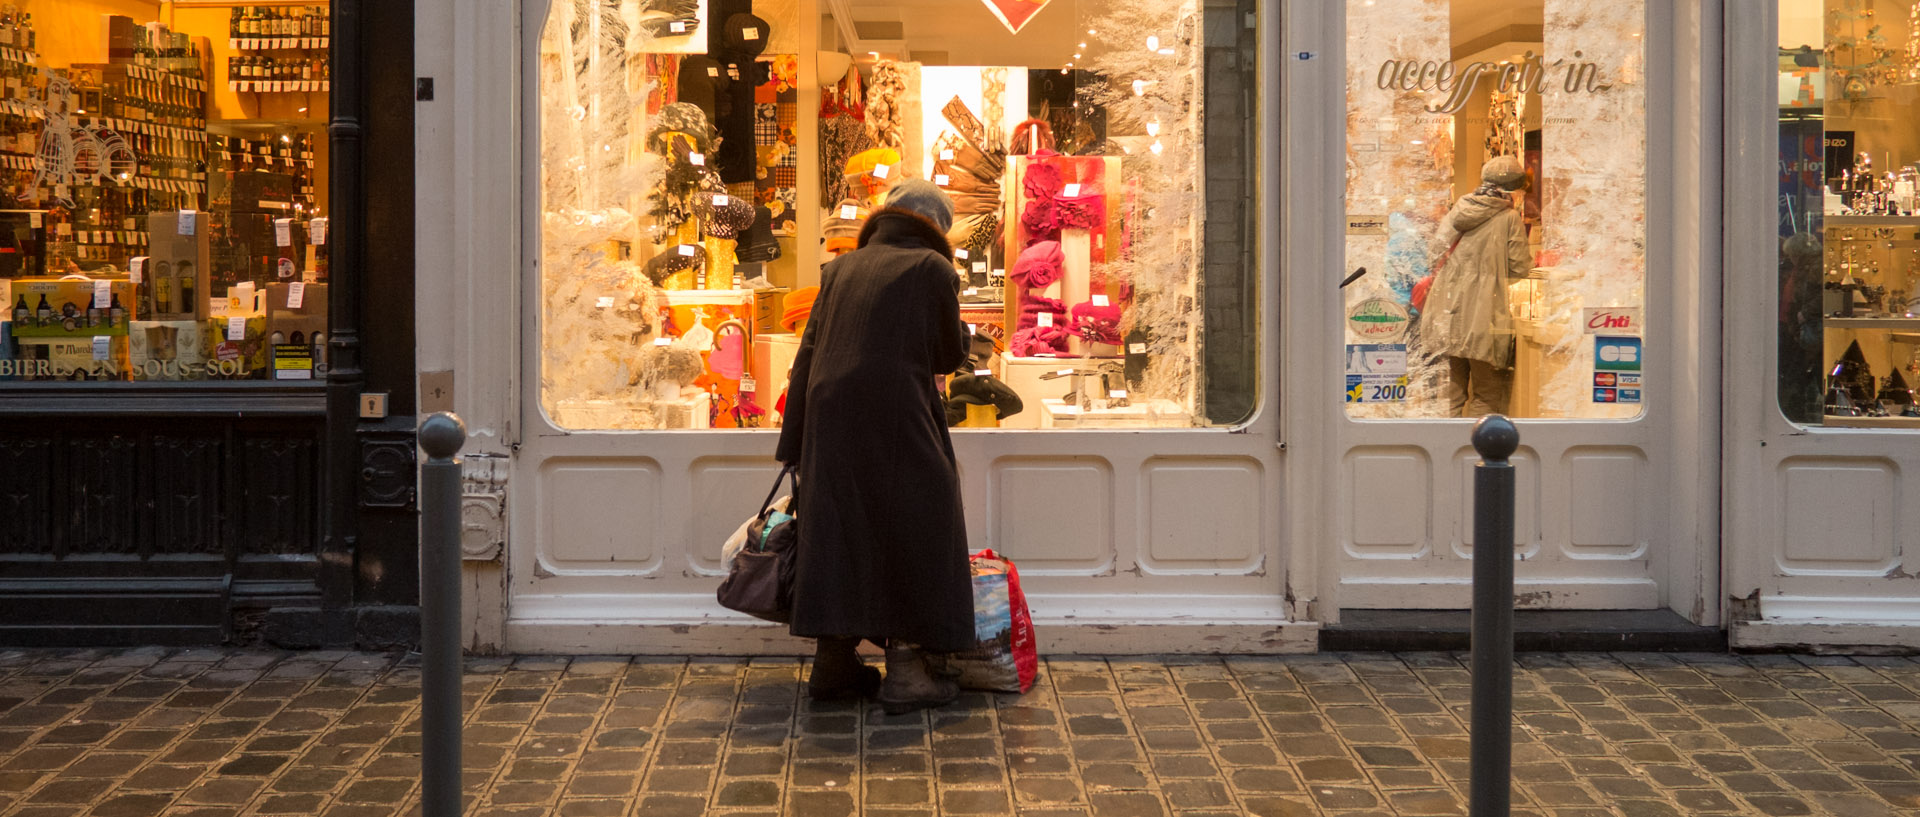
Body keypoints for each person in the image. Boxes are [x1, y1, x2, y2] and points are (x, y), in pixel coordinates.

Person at [774, 179, 974, 714]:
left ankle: (833, 664)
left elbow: (807, 355)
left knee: (839, 528)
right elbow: (947, 356)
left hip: (828, 421)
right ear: (936, 228)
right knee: (917, 523)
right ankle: (907, 671)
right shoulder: (933, 269)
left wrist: (793, 444)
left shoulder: (839, 269)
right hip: (897, 416)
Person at [1420, 154, 1533, 417]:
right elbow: (1519, 267)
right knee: (1486, 395)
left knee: (1452, 394)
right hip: (1484, 316)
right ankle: (1473, 452)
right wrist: (1490, 278)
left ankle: (1449, 450)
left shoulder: (1457, 210)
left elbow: (1434, 253)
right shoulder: (1508, 217)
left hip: (1446, 313)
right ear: (1512, 188)